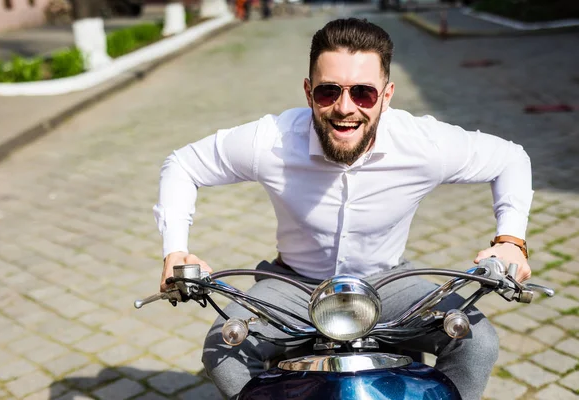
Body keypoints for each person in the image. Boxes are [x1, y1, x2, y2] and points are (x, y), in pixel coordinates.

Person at [153, 18, 533, 400]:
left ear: (386, 95)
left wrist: (511, 241)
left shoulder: (424, 144)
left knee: (476, 341)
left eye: (363, 93)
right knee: (224, 350)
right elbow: (183, 164)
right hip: (294, 286)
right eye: (328, 91)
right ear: (308, 92)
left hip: (388, 283)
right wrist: (175, 251)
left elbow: (510, 159)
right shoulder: (270, 141)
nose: (344, 108)